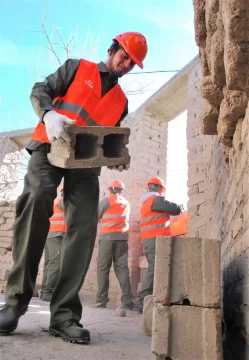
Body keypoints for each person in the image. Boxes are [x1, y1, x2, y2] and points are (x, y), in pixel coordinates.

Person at [0, 32, 148, 343]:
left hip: (84, 163)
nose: (126, 64)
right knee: (37, 199)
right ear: (113, 49)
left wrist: (115, 156)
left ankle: (65, 316)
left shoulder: (122, 101)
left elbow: (109, 136)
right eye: (124, 56)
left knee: (83, 226)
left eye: (132, 63)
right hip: (49, 146)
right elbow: (40, 89)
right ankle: (14, 303)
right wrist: (48, 113)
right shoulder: (77, 68)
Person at [133, 177, 183, 313]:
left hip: (150, 240)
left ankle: (149, 299)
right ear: (160, 188)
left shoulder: (146, 201)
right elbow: (176, 209)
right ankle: (140, 301)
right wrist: (182, 206)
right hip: (155, 240)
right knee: (154, 269)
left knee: (155, 269)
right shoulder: (156, 199)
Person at [94, 180, 133, 310]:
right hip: (122, 239)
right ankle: (127, 300)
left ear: (110, 189)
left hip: (107, 239)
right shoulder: (126, 203)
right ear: (121, 191)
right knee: (122, 269)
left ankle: (101, 300)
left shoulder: (106, 201)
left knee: (103, 268)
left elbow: (95, 216)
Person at [40, 188, 66, 302]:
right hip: (55, 235)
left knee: (48, 264)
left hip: (50, 235)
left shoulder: (58, 201)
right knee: (55, 263)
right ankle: (48, 292)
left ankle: (44, 291)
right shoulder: (64, 201)